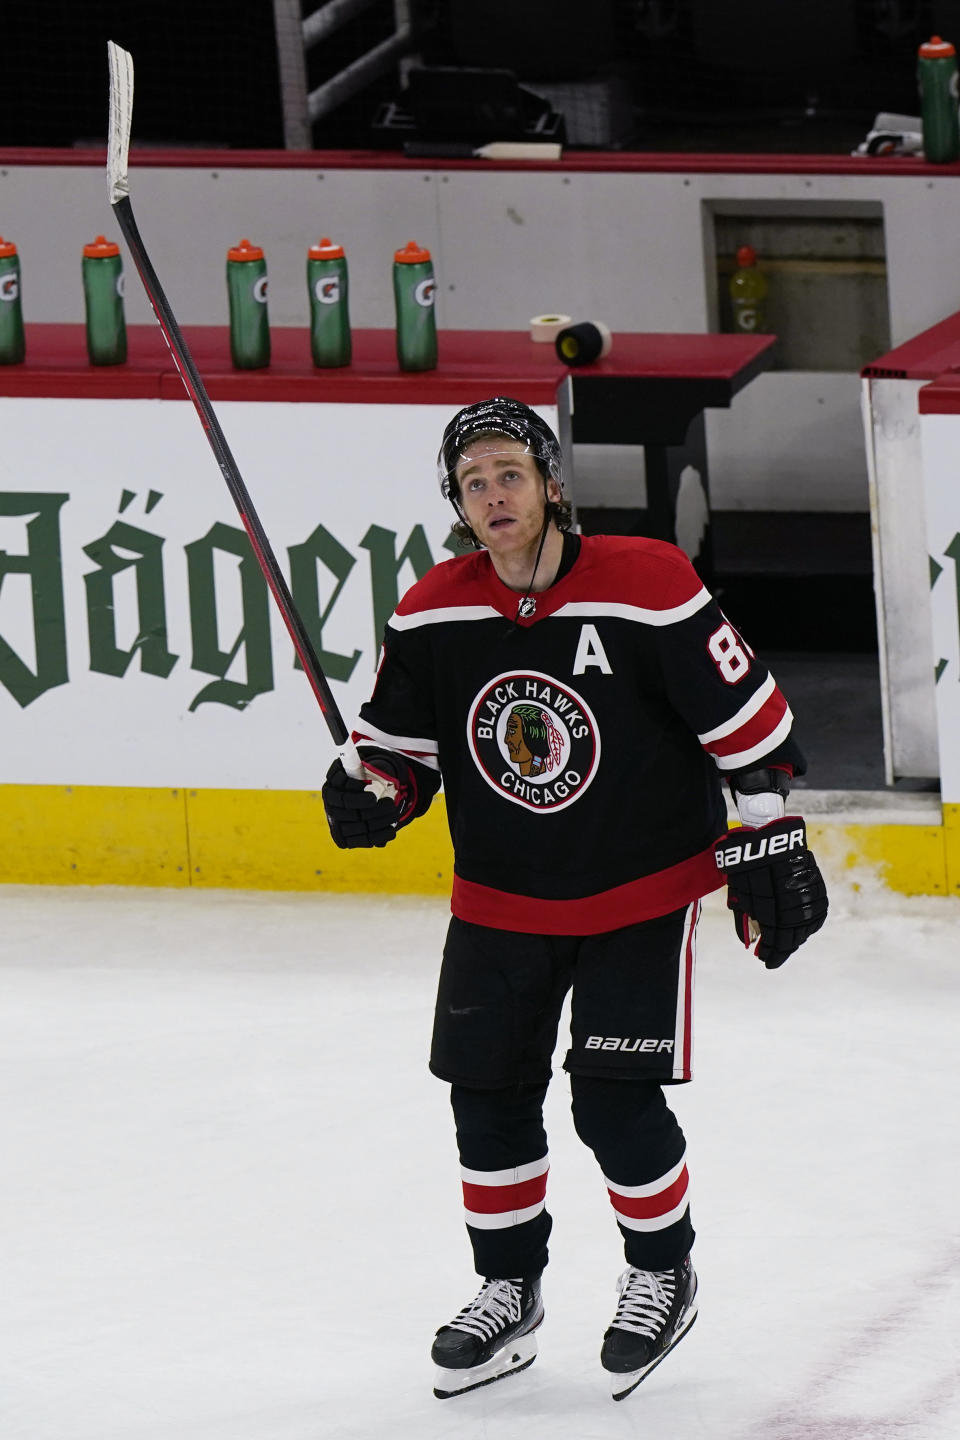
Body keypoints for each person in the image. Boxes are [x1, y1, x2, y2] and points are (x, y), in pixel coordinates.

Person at [321, 397, 828, 1402]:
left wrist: (767, 833)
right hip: (500, 899)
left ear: (552, 483)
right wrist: (372, 792)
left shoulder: (647, 583)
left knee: (611, 1100)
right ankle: (507, 1289)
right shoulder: (432, 609)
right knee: (487, 1099)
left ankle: (660, 1270)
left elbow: (751, 724)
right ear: (459, 506)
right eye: (473, 483)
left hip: (639, 889)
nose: (493, 495)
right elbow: (401, 752)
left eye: (510, 473)